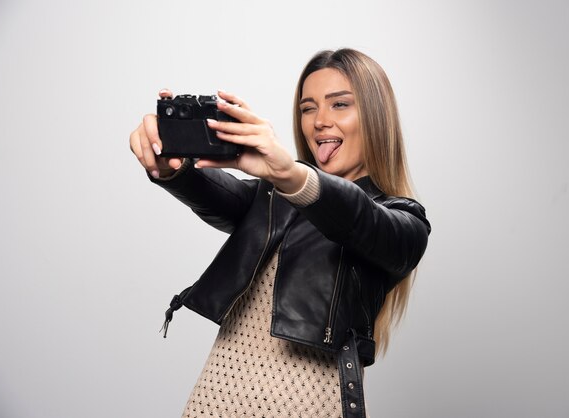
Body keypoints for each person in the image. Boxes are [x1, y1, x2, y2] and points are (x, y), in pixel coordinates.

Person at [129, 48, 431, 418]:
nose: (320, 121)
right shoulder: (273, 197)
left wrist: (289, 174)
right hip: (214, 401)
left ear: (375, 117)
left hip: (305, 408)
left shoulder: (404, 222)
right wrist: (172, 169)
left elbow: (359, 218)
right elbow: (220, 194)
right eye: (308, 108)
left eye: (339, 105)